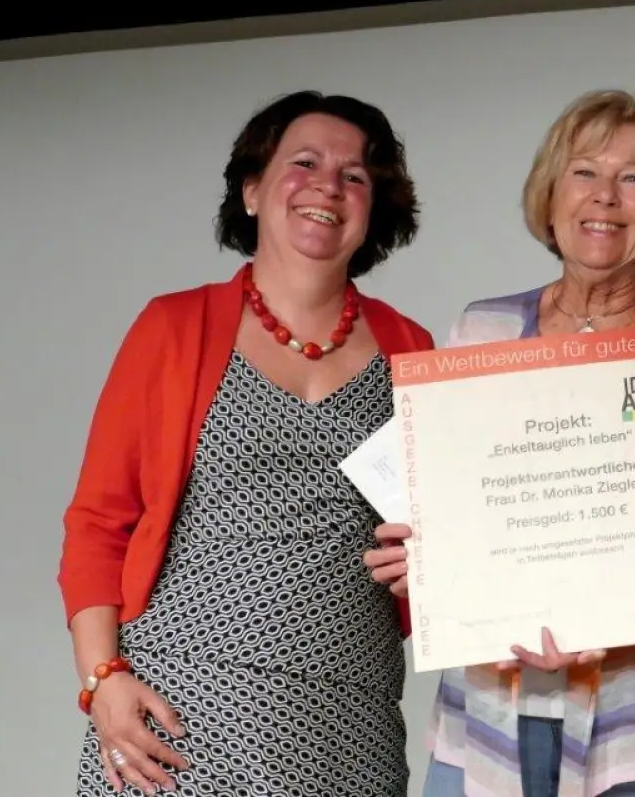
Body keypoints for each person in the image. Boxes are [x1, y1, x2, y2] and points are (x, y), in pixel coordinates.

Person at [363, 89, 635, 797]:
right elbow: (456, 511)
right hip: (490, 713)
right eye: (584, 173)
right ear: (549, 200)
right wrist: (424, 558)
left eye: (634, 178)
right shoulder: (480, 331)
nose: (605, 197)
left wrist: (625, 612)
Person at [57, 90, 433, 796]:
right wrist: (103, 681)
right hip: (181, 703)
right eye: (305, 163)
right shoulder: (173, 328)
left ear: (375, 208)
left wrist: (434, 565)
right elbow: (98, 523)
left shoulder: (412, 348)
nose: (329, 184)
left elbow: (438, 535)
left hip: (351, 715)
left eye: (356, 175)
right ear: (254, 190)